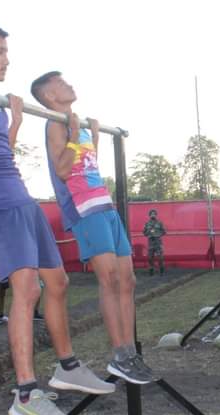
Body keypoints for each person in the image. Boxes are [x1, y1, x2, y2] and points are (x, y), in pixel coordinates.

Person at [0, 22, 114, 415]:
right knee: (27, 289)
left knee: (57, 282)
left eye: (6, 51)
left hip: (20, 196)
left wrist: (14, 121)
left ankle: (67, 367)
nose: (6, 59)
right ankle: (25, 394)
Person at [31, 71, 153, 385]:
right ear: (50, 96)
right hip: (83, 208)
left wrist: (92, 137)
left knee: (127, 280)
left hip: (104, 203)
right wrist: (75, 134)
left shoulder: (77, 124)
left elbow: (87, 163)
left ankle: (130, 353)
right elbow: (63, 170)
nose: (68, 84)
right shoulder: (56, 123)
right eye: (61, 83)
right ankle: (120, 355)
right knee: (109, 278)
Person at [143, 209, 166, 275]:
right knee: (150, 257)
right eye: (151, 214)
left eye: (154, 214)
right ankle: (151, 270)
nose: (153, 215)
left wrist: (157, 235)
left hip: (158, 242)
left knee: (160, 257)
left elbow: (164, 232)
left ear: (156, 215)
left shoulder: (159, 223)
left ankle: (161, 270)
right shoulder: (147, 223)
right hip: (151, 242)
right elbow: (144, 232)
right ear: (149, 215)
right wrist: (149, 234)